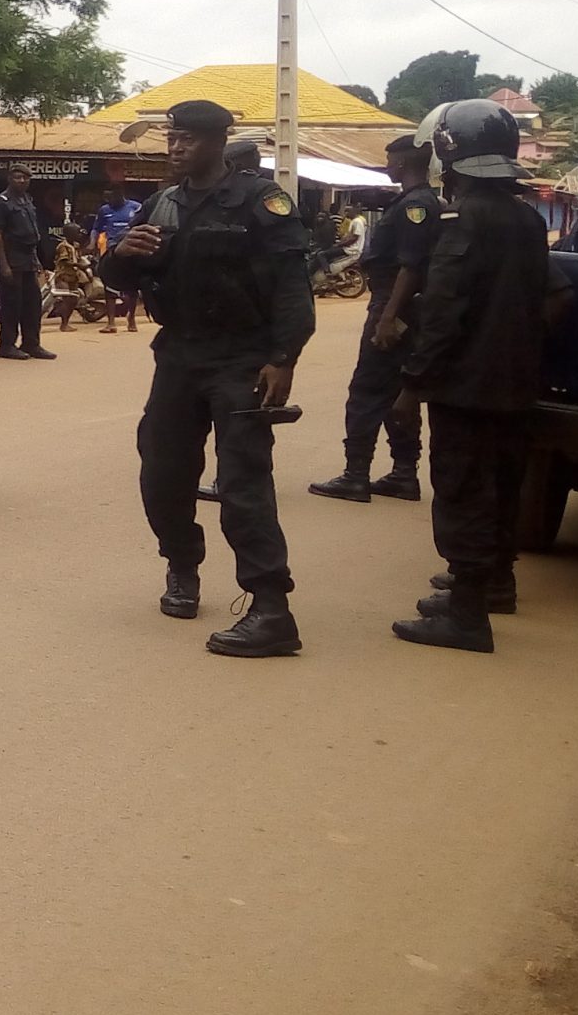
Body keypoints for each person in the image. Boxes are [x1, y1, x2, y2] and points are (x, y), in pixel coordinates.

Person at [99, 97, 315, 654]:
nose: (176, 147)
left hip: (241, 357)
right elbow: (119, 277)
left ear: (219, 142)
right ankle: (182, 567)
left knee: (244, 483)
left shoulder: (260, 202)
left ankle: (271, 608)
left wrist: (284, 358)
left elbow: (293, 287)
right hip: (179, 355)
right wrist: (121, 254)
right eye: (172, 138)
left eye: (188, 139)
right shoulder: (162, 204)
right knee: (162, 471)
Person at [389, 102, 556, 650]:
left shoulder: (462, 219)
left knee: (462, 490)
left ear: (447, 152)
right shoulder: (528, 219)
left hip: (466, 386)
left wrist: (413, 383)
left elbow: (443, 310)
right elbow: (555, 296)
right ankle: (494, 587)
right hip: (516, 383)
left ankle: (465, 616)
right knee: (503, 485)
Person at [307, 135, 441, 505]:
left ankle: (356, 475)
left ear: (400, 164)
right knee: (398, 391)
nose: (387, 166)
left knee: (366, 390)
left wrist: (388, 316)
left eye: (390, 161)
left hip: (395, 304)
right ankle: (403, 474)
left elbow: (410, 266)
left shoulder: (415, 206)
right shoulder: (421, 202)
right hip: (405, 306)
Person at [0, 167, 54, 360]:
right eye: (17, 177)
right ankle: (6, 345)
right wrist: (4, 265)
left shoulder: (27, 200)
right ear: (9, 179)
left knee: (33, 304)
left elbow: (33, 233)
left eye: (25, 178)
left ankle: (32, 344)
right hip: (12, 257)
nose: (22, 181)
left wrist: (38, 260)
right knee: (12, 305)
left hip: (29, 258)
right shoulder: (2, 202)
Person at [90, 185, 143, 333]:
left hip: (132, 250)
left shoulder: (136, 207)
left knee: (133, 286)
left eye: (112, 196)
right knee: (109, 286)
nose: (110, 200)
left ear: (120, 194)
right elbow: (96, 228)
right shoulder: (104, 210)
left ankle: (131, 318)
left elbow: (144, 224)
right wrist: (92, 242)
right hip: (112, 251)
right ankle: (111, 322)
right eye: (108, 197)